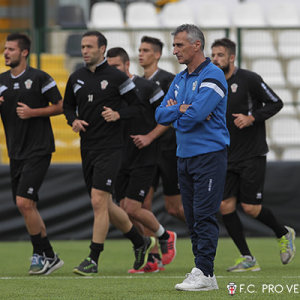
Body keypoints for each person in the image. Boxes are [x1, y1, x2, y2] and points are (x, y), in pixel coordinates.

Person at [63, 31, 155, 276]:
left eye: (89, 47)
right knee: (105, 204)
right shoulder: (76, 77)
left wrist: (118, 115)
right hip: (88, 147)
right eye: (82, 46)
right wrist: (73, 121)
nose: (84, 51)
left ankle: (93, 258)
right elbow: (68, 106)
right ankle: (140, 242)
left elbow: (137, 107)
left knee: (97, 200)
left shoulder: (116, 77)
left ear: (102, 49)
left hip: (112, 147)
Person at [211, 38, 296, 272]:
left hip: (252, 154)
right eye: (213, 55)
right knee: (224, 206)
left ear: (231, 57)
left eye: (220, 55)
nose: (215, 59)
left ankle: (283, 232)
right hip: (225, 155)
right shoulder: (211, 84)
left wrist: (252, 118)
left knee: (250, 208)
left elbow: (276, 103)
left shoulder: (249, 79)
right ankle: (247, 258)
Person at [156, 24, 229, 292]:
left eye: (179, 45)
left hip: (209, 155)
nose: (174, 50)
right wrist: (185, 110)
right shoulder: (180, 78)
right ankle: (203, 271)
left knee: (204, 215)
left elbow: (194, 116)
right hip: (184, 156)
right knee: (192, 218)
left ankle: (205, 271)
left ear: (196, 45)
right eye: (174, 45)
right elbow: (159, 115)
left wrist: (181, 111)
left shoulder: (214, 75)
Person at [106, 47, 176, 274]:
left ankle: (166, 236)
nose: (112, 71)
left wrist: (149, 137)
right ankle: (152, 257)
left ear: (127, 65)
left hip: (145, 156)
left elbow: (167, 116)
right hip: (120, 156)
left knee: (134, 207)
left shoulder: (147, 87)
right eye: (109, 67)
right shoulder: (110, 91)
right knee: (126, 211)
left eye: (116, 66)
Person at [0, 33, 64, 275]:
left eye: (11, 49)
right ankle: (46, 255)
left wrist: (33, 112)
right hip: (15, 151)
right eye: (5, 49)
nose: (6, 53)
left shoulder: (39, 77)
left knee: (24, 202)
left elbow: (60, 106)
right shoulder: (1, 80)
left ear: (24, 52)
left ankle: (43, 254)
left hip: (39, 149)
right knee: (28, 206)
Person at [138, 36, 185, 223]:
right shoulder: (137, 84)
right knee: (142, 205)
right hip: (147, 153)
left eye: (146, 50)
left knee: (174, 208)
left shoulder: (169, 81)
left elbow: (175, 114)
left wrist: (150, 136)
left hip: (168, 150)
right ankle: (155, 250)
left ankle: (204, 232)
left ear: (157, 55)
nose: (140, 54)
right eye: (140, 50)